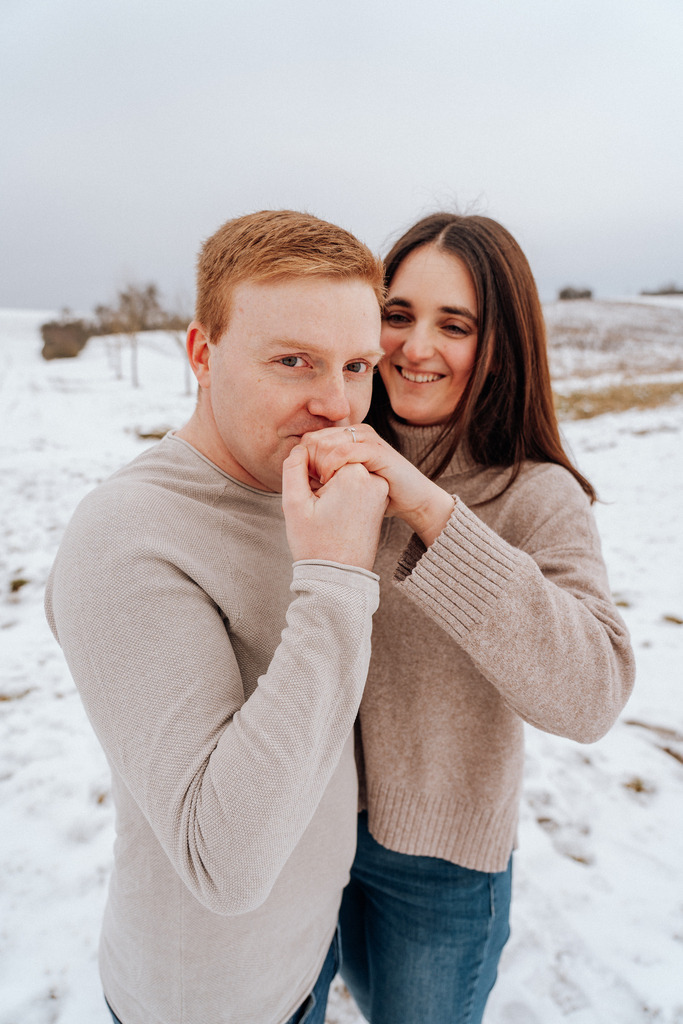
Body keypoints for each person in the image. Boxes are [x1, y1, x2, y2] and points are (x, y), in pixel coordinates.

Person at [44, 209, 390, 1024]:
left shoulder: (301, 486)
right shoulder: (125, 534)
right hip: (210, 1001)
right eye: (293, 361)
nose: (337, 404)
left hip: (309, 952)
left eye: (357, 365)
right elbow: (223, 863)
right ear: (201, 353)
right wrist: (336, 574)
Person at [300, 213, 636, 1024]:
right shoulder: (320, 455)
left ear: (501, 346)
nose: (415, 347)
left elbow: (591, 695)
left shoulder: (534, 494)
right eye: (397, 313)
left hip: (444, 868)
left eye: (455, 325)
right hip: (308, 837)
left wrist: (423, 506)